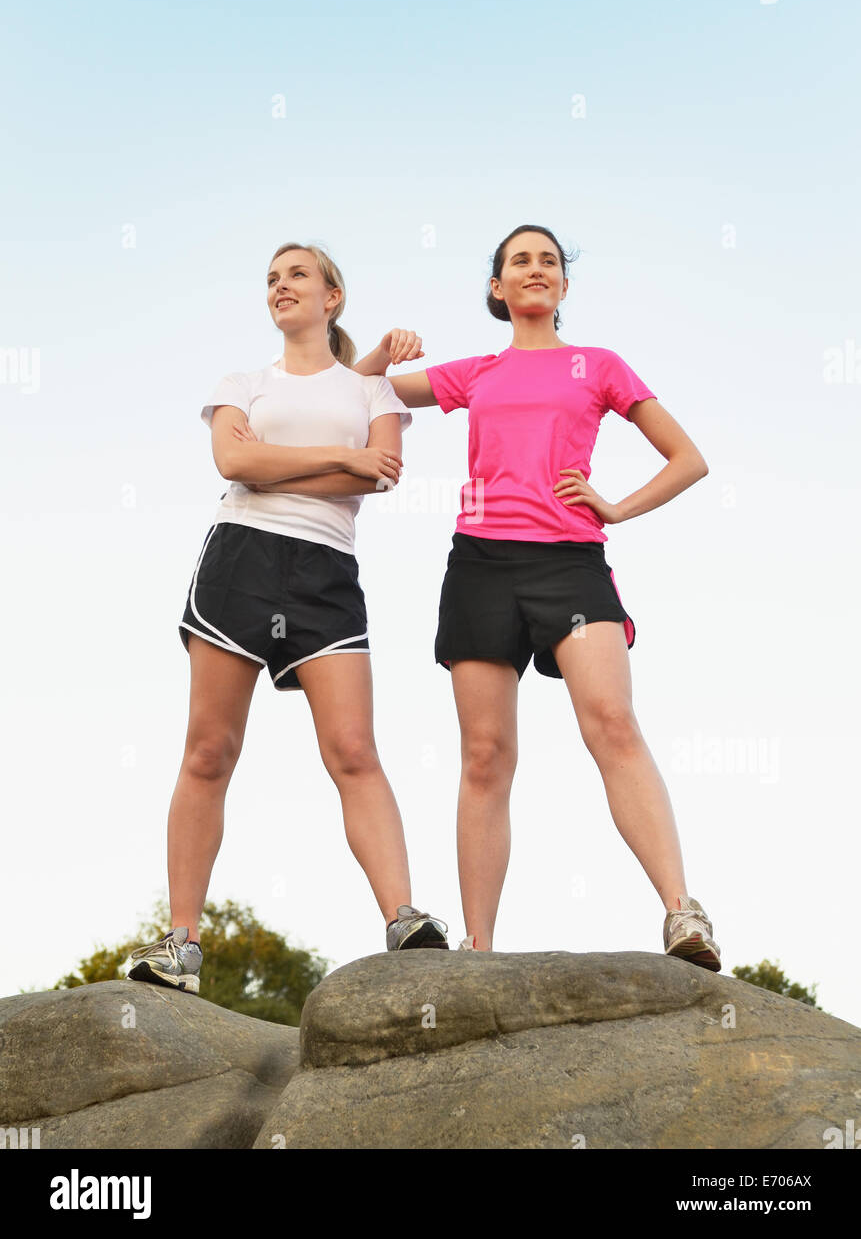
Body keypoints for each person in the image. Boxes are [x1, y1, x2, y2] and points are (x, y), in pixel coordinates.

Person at [352, 224, 721, 969]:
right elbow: (361, 391)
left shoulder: (598, 365)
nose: (534, 269)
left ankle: (683, 915)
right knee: (485, 755)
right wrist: (380, 352)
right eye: (519, 261)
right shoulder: (477, 372)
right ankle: (479, 945)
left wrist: (615, 506)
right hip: (481, 565)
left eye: (547, 261)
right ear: (497, 286)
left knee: (612, 724)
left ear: (561, 285)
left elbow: (688, 460)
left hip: (571, 565)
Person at [126, 242, 449, 995]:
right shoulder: (242, 382)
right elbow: (233, 466)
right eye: (271, 278)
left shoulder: (371, 390)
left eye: (297, 274)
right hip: (238, 560)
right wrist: (338, 461)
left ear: (332, 296)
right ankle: (182, 946)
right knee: (209, 751)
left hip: (324, 573)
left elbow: (383, 473)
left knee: (353, 749)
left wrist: (281, 456)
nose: (281, 286)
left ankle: (403, 918)